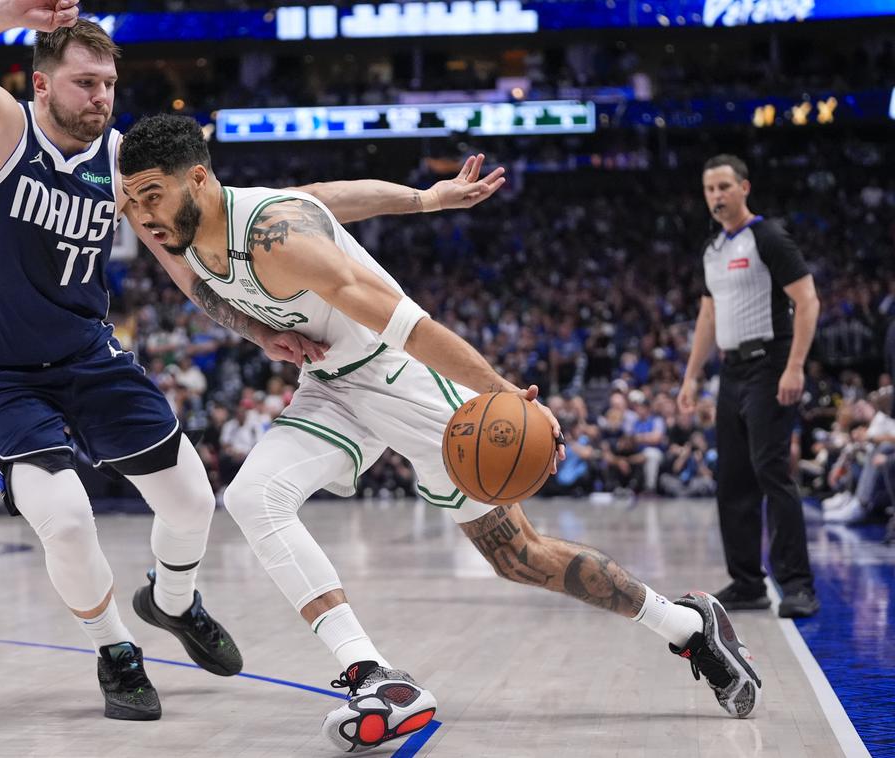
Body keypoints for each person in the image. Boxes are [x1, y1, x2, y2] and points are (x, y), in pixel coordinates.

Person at [0, 1, 503, 721]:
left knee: (193, 500)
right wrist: (14, 8)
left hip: (88, 354)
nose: (100, 97)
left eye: (109, 83)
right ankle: (116, 651)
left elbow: (181, 260)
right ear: (41, 85)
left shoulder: (122, 160)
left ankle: (173, 600)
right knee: (65, 518)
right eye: (84, 83)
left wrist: (255, 330)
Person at [119, 115, 763, 752]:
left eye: (153, 196)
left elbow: (415, 329)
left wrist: (504, 395)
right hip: (331, 385)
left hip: (405, 377)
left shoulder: (274, 239)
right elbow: (324, 197)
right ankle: (374, 677)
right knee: (254, 496)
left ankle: (686, 624)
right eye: (132, 200)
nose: (143, 215)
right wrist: (422, 200)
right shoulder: (195, 226)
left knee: (519, 558)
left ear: (198, 179)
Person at [679, 154, 821, 618]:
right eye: (709, 189)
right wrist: (692, 375)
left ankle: (798, 585)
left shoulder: (769, 237)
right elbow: (707, 315)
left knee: (771, 472)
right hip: (732, 372)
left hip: (771, 364)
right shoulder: (713, 249)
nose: (716, 196)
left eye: (724, 186)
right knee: (733, 481)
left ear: (744, 188)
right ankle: (747, 583)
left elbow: (807, 300)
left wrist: (795, 366)